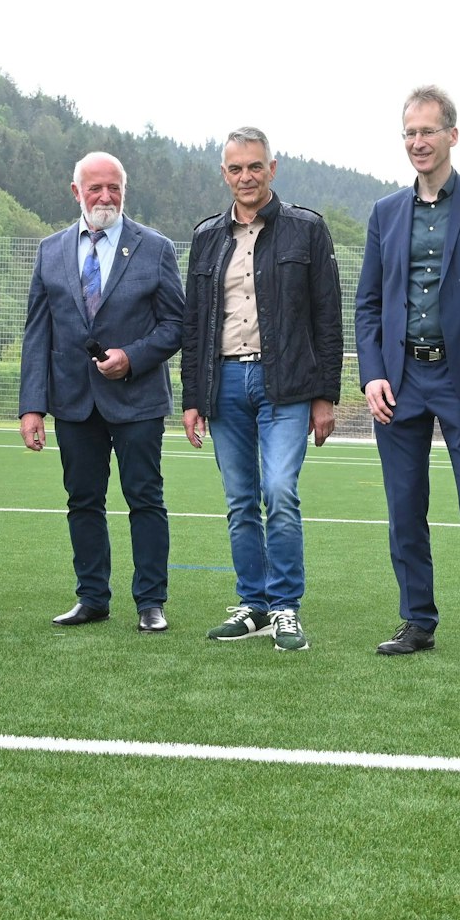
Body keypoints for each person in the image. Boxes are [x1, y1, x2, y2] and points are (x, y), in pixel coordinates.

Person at [354, 86, 460, 668]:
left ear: (452, 134)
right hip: (399, 382)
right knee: (405, 507)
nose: (418, 142)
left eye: (428, 131)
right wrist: (372, 375)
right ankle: (417, 621)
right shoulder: (385, 212)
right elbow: (368, 304)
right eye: (409, 132)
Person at [181, 128, 342, 652]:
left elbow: (328, 317)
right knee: (240, 501)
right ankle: (252, 604)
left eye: (255, 166)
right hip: (224, 382)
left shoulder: (307, 229)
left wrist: (326, 395)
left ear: (272, 169)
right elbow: (193, 323)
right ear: (224, 174)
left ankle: (284, 607)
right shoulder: (207, 236)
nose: (246, 177)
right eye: (236, 168)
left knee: (280, 492)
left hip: (287, 384)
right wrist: (191, 398)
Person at [19, 152, 185, 634]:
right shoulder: (50, 250)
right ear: (77, 192)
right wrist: (32, 407)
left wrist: (131, 356)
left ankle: (151, 602)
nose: (106, 196)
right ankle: (92, 598)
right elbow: (37, 333)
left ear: (124, 191)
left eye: (114, 187)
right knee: (83, 500)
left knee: (145, 499)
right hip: (73, 401)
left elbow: (176, 324)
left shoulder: (155, 248)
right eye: (95, 188)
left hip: (138, 399)